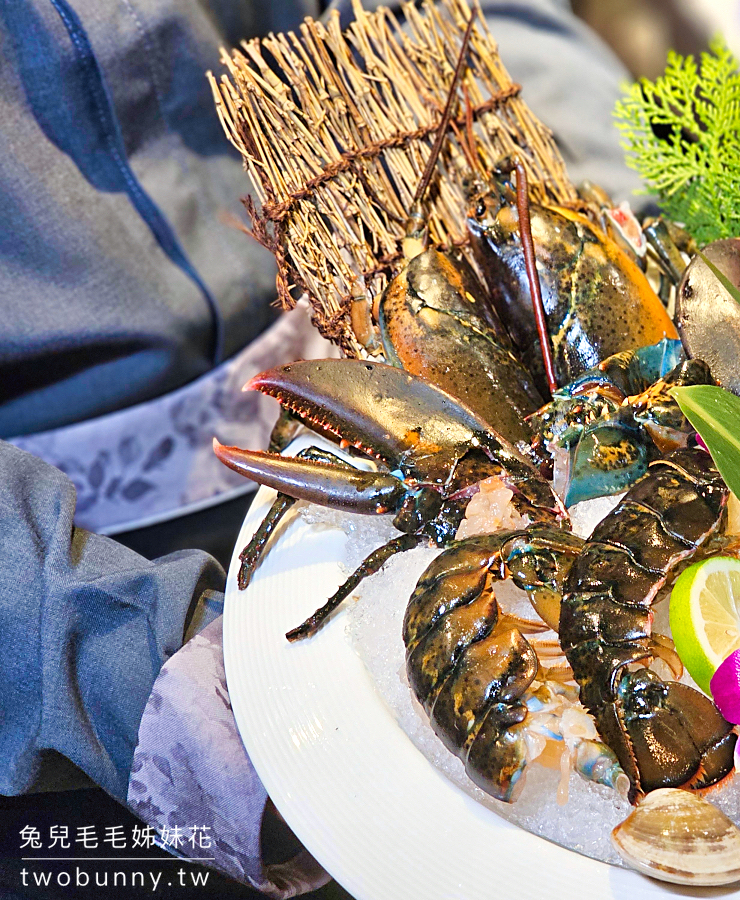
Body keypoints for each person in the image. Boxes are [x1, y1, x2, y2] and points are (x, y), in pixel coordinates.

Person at [0, 0, 636, 895]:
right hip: (59, 630)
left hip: (399, 400)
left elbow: (483, 20)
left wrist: (609, 243)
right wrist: (119, 657)